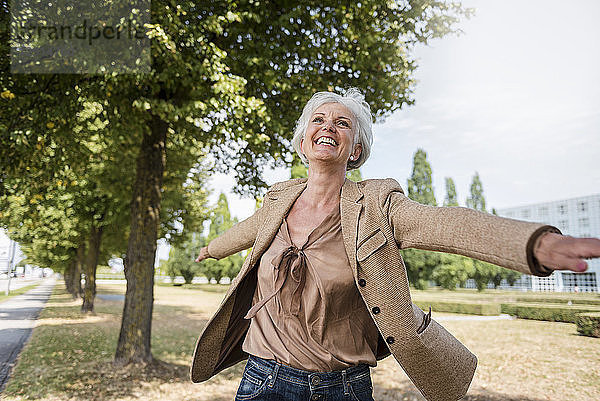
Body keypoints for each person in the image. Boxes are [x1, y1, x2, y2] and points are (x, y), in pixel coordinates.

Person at [190, 88, 600, 401]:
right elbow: (246, 230)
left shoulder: (377, 203)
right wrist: (211, 248)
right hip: (264, 380)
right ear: (303, 142)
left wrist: (532, 244)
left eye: (342, 123)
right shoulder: (278, 199)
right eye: (319, 119)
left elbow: (445, 223)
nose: (328, 126)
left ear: (356, 150)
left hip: (342, 387)